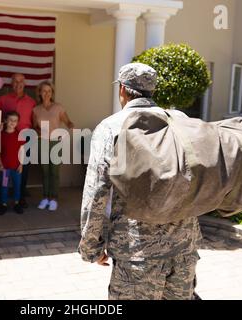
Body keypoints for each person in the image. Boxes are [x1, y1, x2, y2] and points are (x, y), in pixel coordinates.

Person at [78, 63, 202, 300]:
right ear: (152, 90)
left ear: (122, 90)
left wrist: (91, 248)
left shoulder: (111, 127)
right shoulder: (179, 120)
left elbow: (96, 192)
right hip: (184, 251)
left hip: (138, 255)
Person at [0, 73, 36, 208]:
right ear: (11, 83)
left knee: (22, 170)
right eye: (15, 81)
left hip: (25, 138)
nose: (18, 84)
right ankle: (1, 199)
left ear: (25, 83)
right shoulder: (3, 99)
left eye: (21, 81)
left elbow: (35, 121)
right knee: (3, 170)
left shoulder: (32, 102)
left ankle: (20, 198)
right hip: (7, 137)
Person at [32, 81, 74, 212]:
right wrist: (38, 132)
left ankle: (54, 198)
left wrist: (71, 126)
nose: (46, 93)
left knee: (54, 172)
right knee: (44, 172)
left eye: (49, 91)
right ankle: (45, 197)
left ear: (52, 93)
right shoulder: (36, 109)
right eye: (44, 91)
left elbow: (68, 121)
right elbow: (34, 126)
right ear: (40, 92)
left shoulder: (58, 107)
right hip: (42, 142)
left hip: (56, 142)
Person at [0, 111, 25, 215]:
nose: (12, 122)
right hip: (5, 168)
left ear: (17, 122)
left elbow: (22, 150)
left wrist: (21, 164)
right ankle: (3, 204)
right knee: (4, 186)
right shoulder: (1, 135)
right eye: (10, 120)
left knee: (17, 185)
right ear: (5, 120)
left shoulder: (19, 135)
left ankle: (16, 203)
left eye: (15, 121)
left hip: (16, 167)